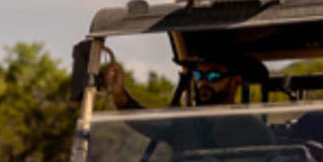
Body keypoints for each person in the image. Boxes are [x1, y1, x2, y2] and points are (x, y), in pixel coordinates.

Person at [100, 57, 244, 109]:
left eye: (213, 76)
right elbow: (146, 123)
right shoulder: (186, 124)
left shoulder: (251, 128)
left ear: (235, 81)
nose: (202, 82)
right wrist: (119, 95)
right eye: (198, 75)